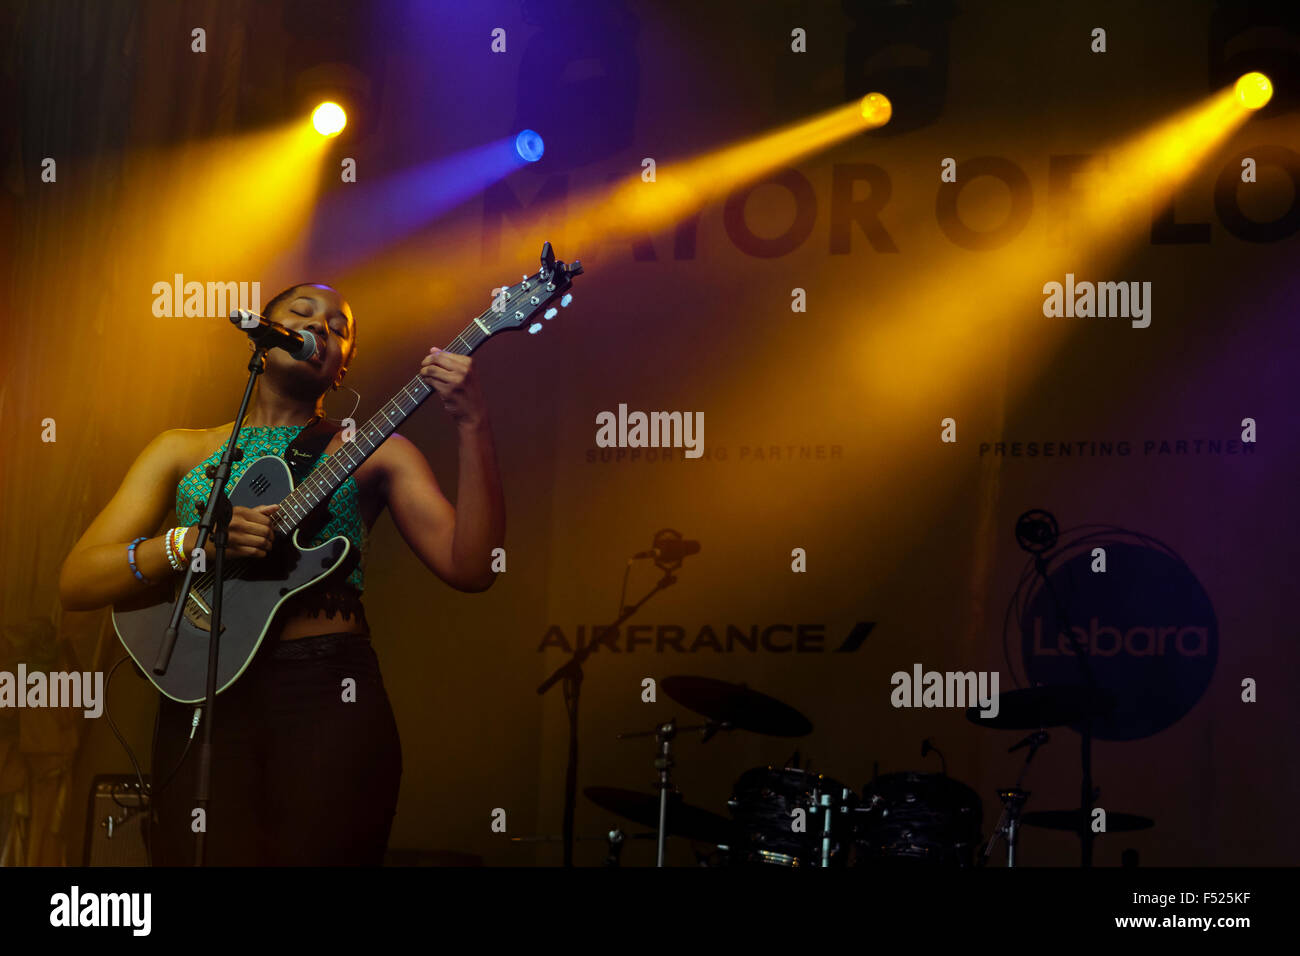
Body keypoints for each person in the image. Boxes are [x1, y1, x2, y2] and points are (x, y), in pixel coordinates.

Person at [57, 283, 506, 865]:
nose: (320, 328)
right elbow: (77, 580)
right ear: (261, 338)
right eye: (302, 315)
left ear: (341, 370)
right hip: (206, 694)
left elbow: (473, 567)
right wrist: (196, 543)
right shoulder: (180, 449)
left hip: (326, 695)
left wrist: (473, 424)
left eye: (338, 329)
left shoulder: (377, 451)